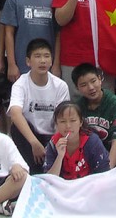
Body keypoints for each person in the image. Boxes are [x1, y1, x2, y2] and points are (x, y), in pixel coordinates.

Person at [7, 39, 70, 173]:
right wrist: (34, 143)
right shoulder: (20, 84)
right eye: (37, 56)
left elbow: (63, 119)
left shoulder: (60, 85)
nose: (42, 61)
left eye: (46, 56)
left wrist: (52, 146)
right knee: (16, 129)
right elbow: (15, 113)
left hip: (53, 137)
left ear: (52, 60)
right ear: (28, 61)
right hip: (30, 137)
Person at [1, 0, 57, 82]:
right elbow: (8, 33)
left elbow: (58, 34)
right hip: (22, 65)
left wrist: (56, 64)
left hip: (47, 65)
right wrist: (11, 64)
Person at [72, 63, 116, 167]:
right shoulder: (77, 107)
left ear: (100, 79)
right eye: (84, 85)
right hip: (88, 157)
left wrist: (108, 170)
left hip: (115, 157)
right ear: (77, 88)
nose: (91, 88)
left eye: (93, 81)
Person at [43, 101, 111, 179]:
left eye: (73, 121)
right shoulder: (53, 143)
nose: (68, 126)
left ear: (80, 122)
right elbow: (49, 180)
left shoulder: (92, 141)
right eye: (62, 121)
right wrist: (60, 156)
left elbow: (103, 173)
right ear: (56, 124)